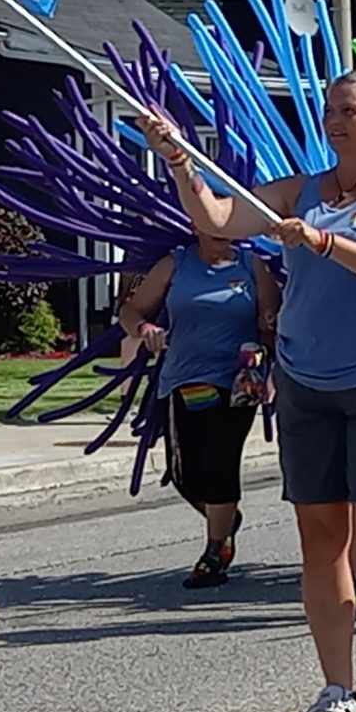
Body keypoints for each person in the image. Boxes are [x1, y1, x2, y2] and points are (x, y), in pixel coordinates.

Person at [137, 70, 356, 712]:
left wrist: (324, 242)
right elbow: (217, 219)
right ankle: (340, 692)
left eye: (349, 110)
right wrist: (177, 161)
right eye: (329, 111)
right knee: (321, 538)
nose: (335, 121)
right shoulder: (300, 191)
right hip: (308, 376)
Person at [119, 230, 279, 587]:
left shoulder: (251, 264)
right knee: (184, 473)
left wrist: (267, 336)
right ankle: (224, 519)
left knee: (220, 462)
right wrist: (144, 327)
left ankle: (215, 552)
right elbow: (131, 310)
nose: (224, 233)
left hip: (236, 381)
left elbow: (273, 317)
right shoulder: (176, 264)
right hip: (184, 380)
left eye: (229, 224)